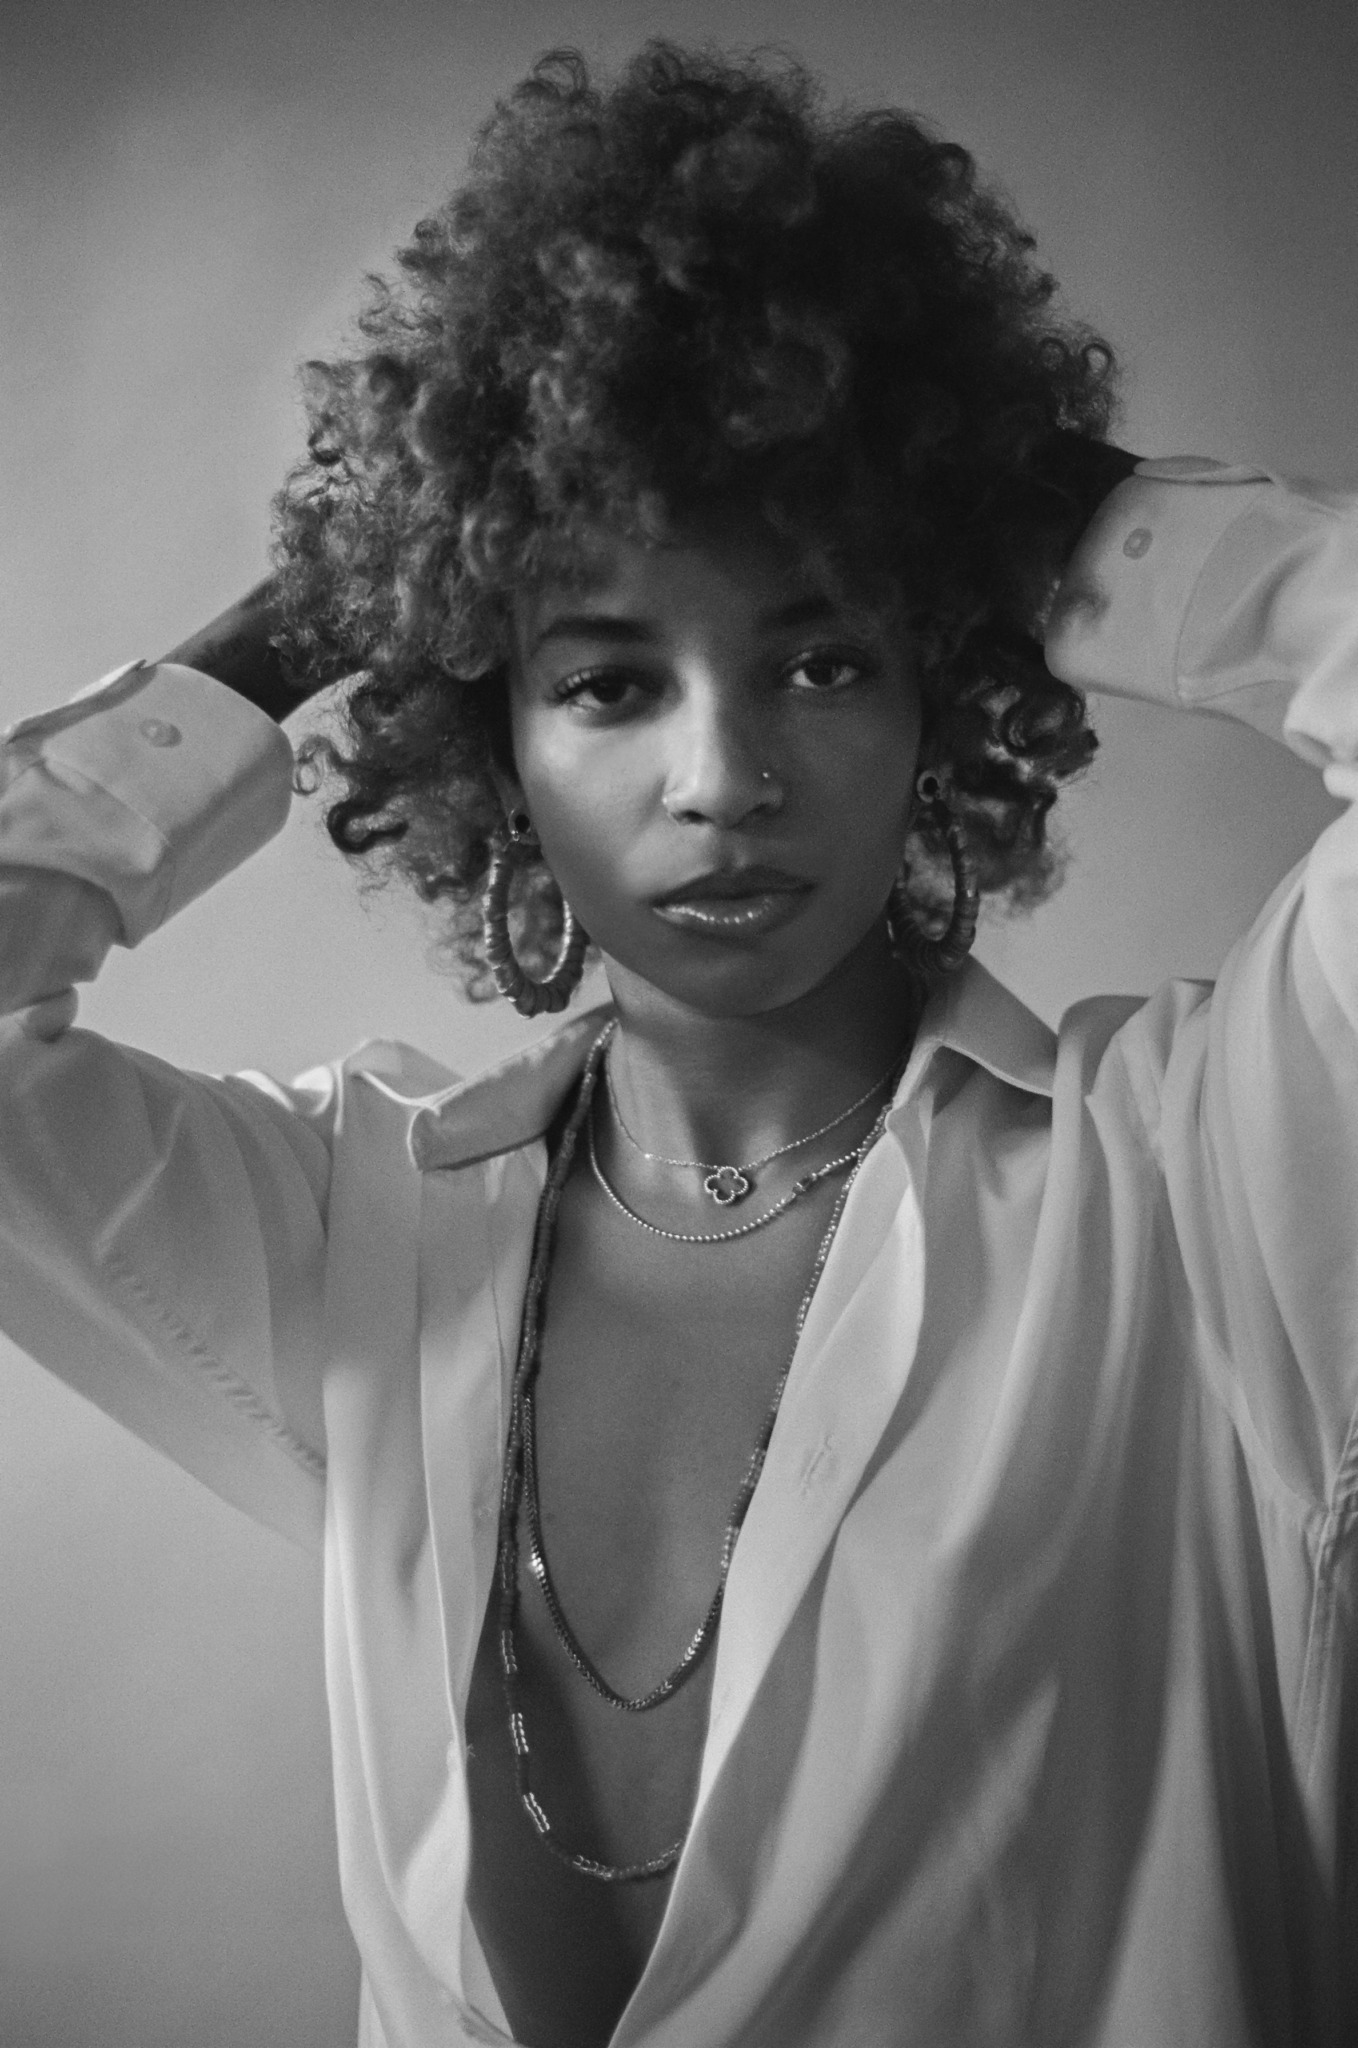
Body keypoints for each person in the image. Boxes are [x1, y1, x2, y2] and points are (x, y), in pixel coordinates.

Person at [1, 39, 1354, 2048]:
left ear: (943, 691)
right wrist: (311, 622)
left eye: (820, 659)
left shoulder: (1196, 1174)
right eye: (608, 683)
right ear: (485, 733)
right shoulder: (360, 1228)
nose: (721, 780)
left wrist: (1049, 504)